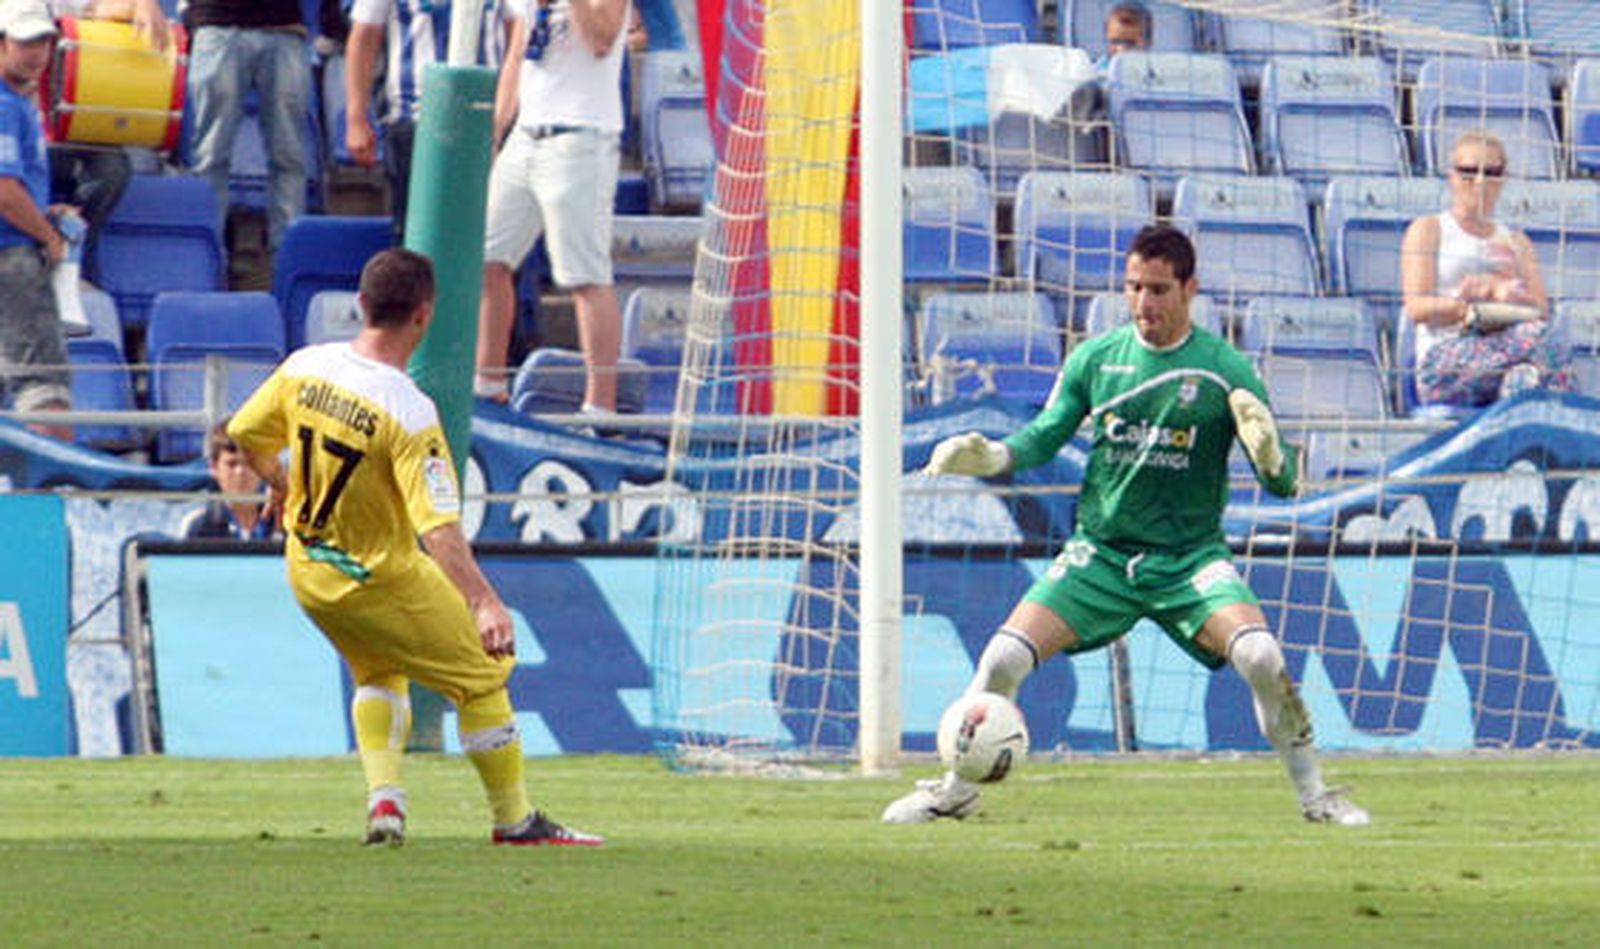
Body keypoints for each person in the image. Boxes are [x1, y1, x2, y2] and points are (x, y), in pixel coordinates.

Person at [882, 225, 1369, 828]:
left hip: (1189, 560)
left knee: (1262, 656)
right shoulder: (1097, 358)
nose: (1143, 302)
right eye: (1134, 287)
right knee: (1003, 658)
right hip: (1102, 556)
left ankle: (1317, 796)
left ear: (1190, 290)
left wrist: (1270, 457)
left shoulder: (1224, 368)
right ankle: (954, 791)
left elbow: (1284, 483)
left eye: (1158, 289)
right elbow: (1045, 435)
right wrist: (993, 457)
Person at [228, 247, 603, 847]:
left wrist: (280, 481)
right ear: (424, 316)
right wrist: (483, 601)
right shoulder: (407, 411)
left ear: (361, 303)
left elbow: (244, 431)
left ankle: (386, 803)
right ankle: (514, 820)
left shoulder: (307, 365)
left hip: (309, 569)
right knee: (482, 675)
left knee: (377, 668)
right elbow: (438, 528)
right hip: (378, 577)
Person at [474, 0, 631, 408]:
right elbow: (517, 54)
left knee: (585, 275)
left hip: (581, 134)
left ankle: (600, 406)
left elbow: (601, 40)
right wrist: (496, 130)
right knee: (486, 258)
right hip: (526, 134)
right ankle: (487, 384)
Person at [1400, 129, 1571, 409]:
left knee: (1524, 378)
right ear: (1452, 176)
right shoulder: (1429, 229)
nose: (1480, 181)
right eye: (1468, 171)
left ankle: (1533, 419)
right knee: (1541, 344)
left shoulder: (1516, 241)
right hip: (1446, 357)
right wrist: (1474, 305)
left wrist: (1510, 295)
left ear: (1503, 178)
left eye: (1491, 172)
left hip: (1510, 354)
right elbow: (1417, 307)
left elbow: (1540, 309)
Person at [344, 0, 520, 240]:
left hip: (486, 118)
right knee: (416, 229)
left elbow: (518, 31)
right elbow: (364, 37)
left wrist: (508, 110)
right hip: (414, 116)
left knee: (489, 230)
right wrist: (356, 118)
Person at [44, 0, 169, 273]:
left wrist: (143, 4)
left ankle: (77, 251)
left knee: (114, 169)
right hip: (29, 129)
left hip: (83, 125)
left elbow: (99, 8)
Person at [183, 0, 310, 254]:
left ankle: (287, 258)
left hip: (282, 27)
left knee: (289, 156)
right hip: (217, 22)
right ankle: (206, 254)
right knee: (210, 155)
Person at [0, 0, 71, 440]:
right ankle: (53, 481)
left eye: (43, 42)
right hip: (12, 255)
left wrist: (44, 213)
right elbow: (4, 193)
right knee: (45, 388)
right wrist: (48, 236)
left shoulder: (17, 102)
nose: (37, 53)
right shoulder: (5, 105)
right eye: (25, 42)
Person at [180, 419, 283, 540]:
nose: (240, 472)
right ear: (214, 468)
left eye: (249, 463)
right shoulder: (200, 527)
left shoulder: (286, 520)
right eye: (232, 464)